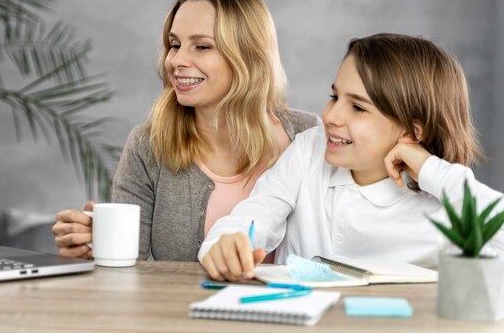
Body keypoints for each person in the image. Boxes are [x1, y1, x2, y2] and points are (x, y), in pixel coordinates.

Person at [199, 33, 504, 281]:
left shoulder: (440, 206)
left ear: (412, 131)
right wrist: (225, 244)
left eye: (358, 108)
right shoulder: (310, 151)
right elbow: (254, 214)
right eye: (335, 97)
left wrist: (430, 169)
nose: (330, 115)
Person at [52, 0, 320, 261]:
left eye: (202, 47)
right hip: (177, 306)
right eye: (175, 44)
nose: (177, 60)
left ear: (250, 55)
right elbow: (128, 270)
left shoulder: (308, 137)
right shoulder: (148, 146)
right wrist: (94, 246)